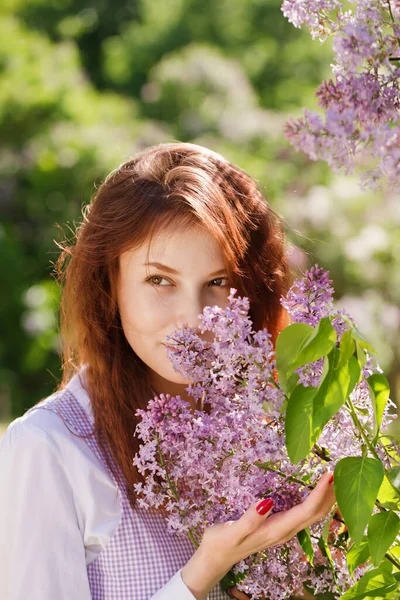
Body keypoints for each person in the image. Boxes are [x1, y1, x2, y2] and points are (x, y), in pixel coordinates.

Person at [0, 142, 336, 600]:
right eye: (160, 280)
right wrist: (204, 572)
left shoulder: (273, 433)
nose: (192, 320)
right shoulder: (49, 449)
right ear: (111, 282)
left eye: (217, 283)